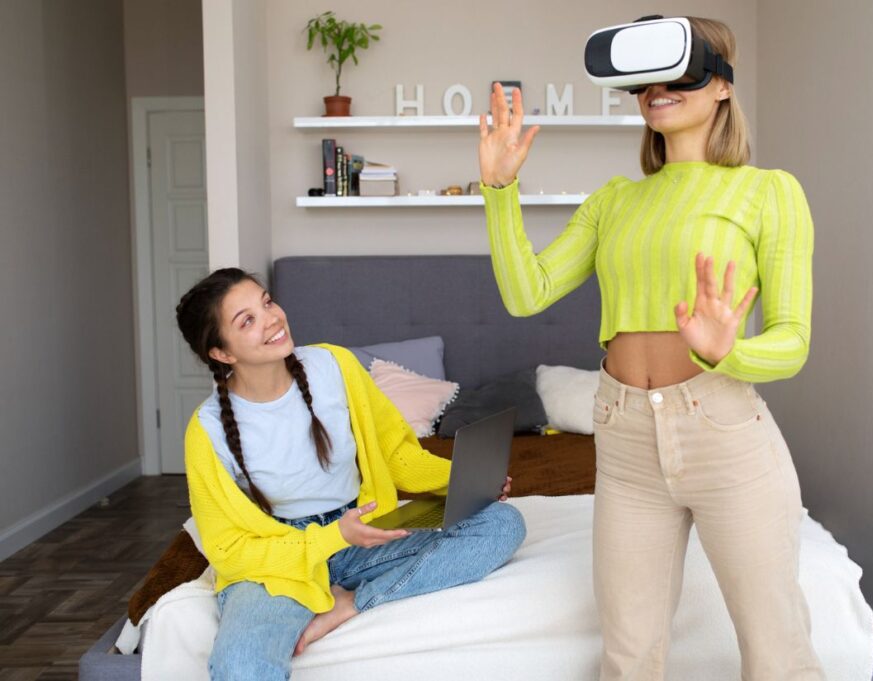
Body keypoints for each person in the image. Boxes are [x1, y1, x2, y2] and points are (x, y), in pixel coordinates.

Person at [477, 16, 825, 681]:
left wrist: (730, 354)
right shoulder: (615, 200)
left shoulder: (768, 192)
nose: (658, 90)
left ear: (721, 86)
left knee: (778, 651)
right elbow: (527, 292)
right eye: (645, 81)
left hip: (725, 432)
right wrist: (500, 191)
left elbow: (794, 341)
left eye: (679, 74)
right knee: (629, 654)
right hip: (626, 437)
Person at [175, 268, 525, 680]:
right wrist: (331, 537)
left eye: (267, 302)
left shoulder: (334, 365)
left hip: (364, 531)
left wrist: (464, 479)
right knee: (239, 666)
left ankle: (351, 603)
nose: (272, 319)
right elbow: (228, 548)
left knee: (501, 524)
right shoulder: (207, 429)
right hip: (279, 559)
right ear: (222, 353)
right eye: (247, 320)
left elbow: (395, 453)